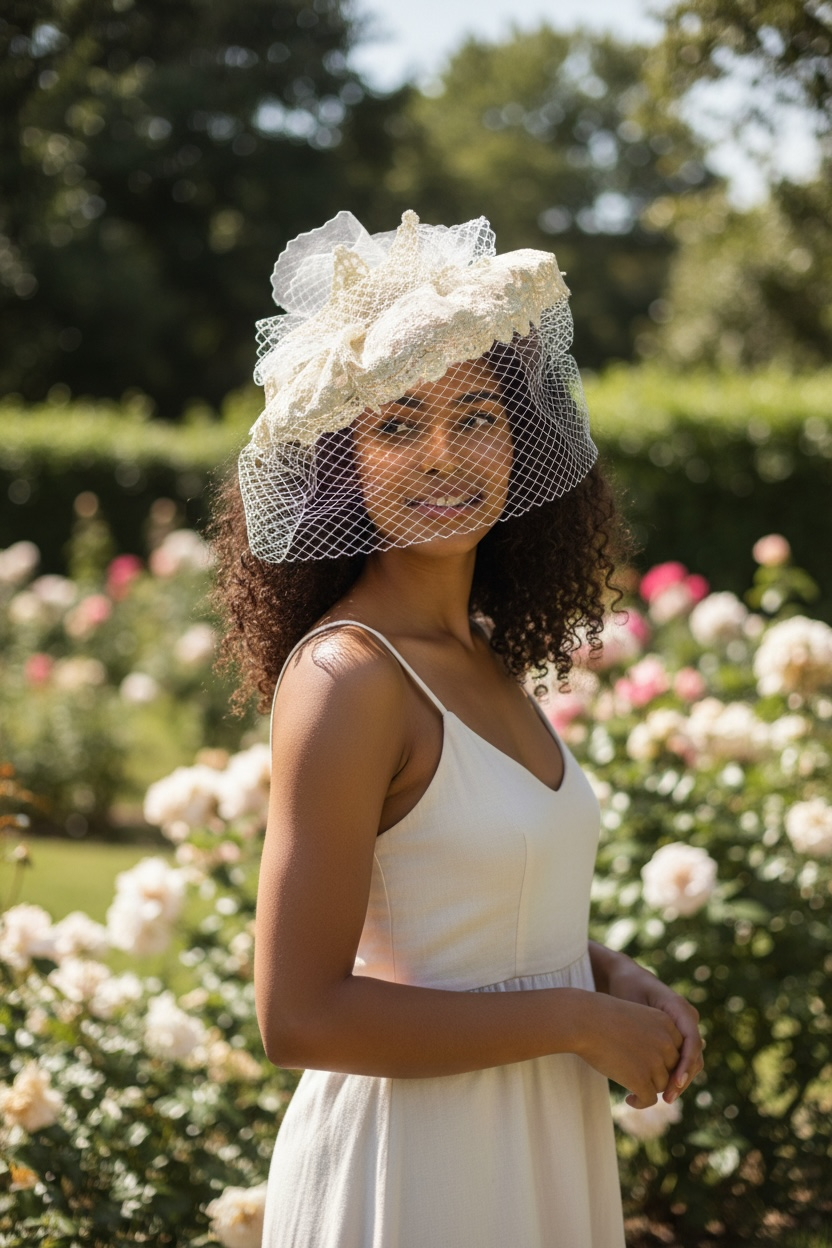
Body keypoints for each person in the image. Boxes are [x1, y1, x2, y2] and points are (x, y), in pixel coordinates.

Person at [211, 210, 704, 1247]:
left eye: (475, 416)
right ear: (339, 462)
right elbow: (297, 1016)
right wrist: (574, 1020)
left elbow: (469, 921)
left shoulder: (480, 654)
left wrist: (607, 975)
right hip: (414, 1173)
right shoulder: (350, 677)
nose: (443, 454)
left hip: (535, 1142)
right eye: (395, 426)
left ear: (519, 440)